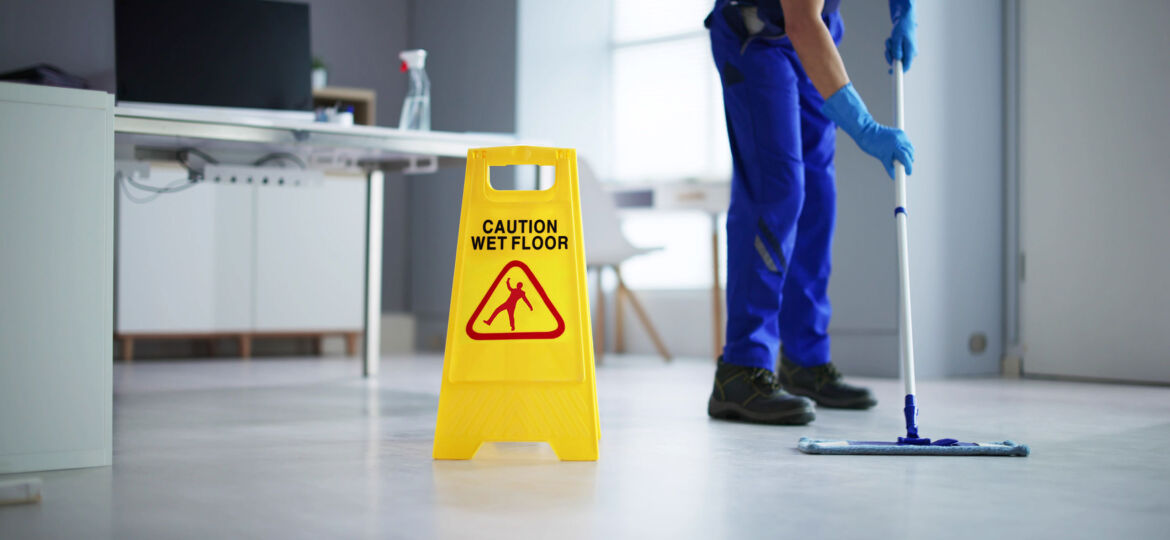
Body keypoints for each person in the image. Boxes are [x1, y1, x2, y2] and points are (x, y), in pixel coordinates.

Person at [705, 0, 917, 425]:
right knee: (777, 189)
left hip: (814, 28)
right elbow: (802, 22)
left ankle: (805, 359)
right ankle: (742, 367)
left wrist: (904, 9)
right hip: (758, 35)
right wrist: (864, 126)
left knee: (818, 197)